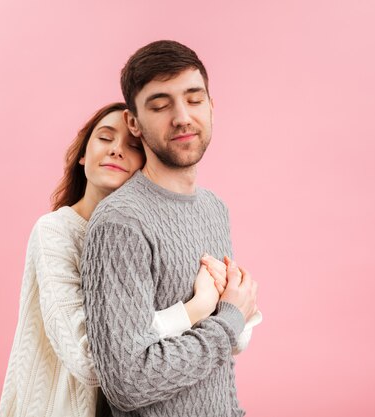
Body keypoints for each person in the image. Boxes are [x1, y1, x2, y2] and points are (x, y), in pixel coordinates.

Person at [0, 102, 255, 417]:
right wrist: (197, 309)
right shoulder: (55, 232)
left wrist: (231, 310)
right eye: (104, 138)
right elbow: (93, 362)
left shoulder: (160, 233)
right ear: (82, 154)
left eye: (132, 146)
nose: (117, 150)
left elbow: (236, 337)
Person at [81, 40, 260, 417]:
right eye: (161, 105)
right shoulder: (120, 223)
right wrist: (230, 320)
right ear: (134, 122)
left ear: (212, 107)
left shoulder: (214, 209)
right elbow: (128, 381)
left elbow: (218, 368)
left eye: (194, 100)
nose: (182, 116)